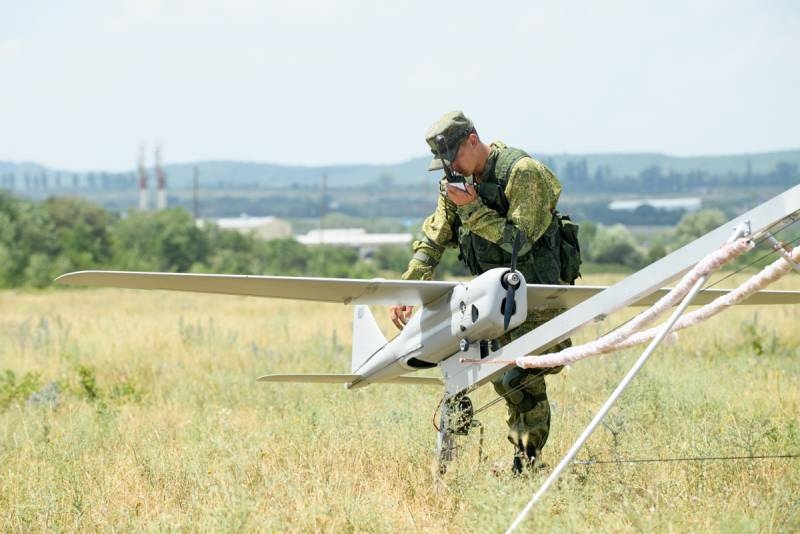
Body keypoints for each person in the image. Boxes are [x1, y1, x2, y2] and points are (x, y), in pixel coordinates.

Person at [390, 110, 578, 474]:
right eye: (445, 164)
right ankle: (453, 458)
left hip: (537, 301)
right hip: (490, 305)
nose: (452, 168)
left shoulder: (523, 173)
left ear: (473, 140)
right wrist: (410, 284)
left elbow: (518, 243)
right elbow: (434, 238)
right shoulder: (455, 183)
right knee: (458, 365)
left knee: (518, 379)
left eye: (455, 157)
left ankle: (527, 464)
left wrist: (472, 209)